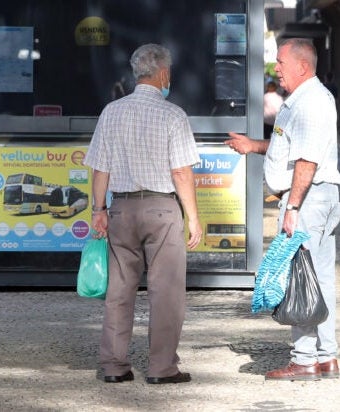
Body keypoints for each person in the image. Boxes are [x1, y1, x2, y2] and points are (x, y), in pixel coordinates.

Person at [84, 44, 202, 384]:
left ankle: (113, 366)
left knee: (119, 291)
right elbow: (181, 173)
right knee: (165, 291)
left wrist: (98, 210)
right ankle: (162, 368)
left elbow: (100, 170)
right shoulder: (173, 115)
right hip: (162, 209)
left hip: (121, 208)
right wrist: (193, 217)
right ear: (163, 74)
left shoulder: (111, 112)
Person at [225, 38, 340, 381]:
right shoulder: (302, 100)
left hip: (307, 199)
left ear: (302, 67)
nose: (276, 69)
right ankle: (326, 355)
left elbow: (307, 160)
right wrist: (253, 146)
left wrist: (292, 207)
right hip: (313, 198)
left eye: (280, 62)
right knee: (317, 278)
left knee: (299, 278)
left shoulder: (312, 102)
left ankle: (304, 359)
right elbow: (288, 148)